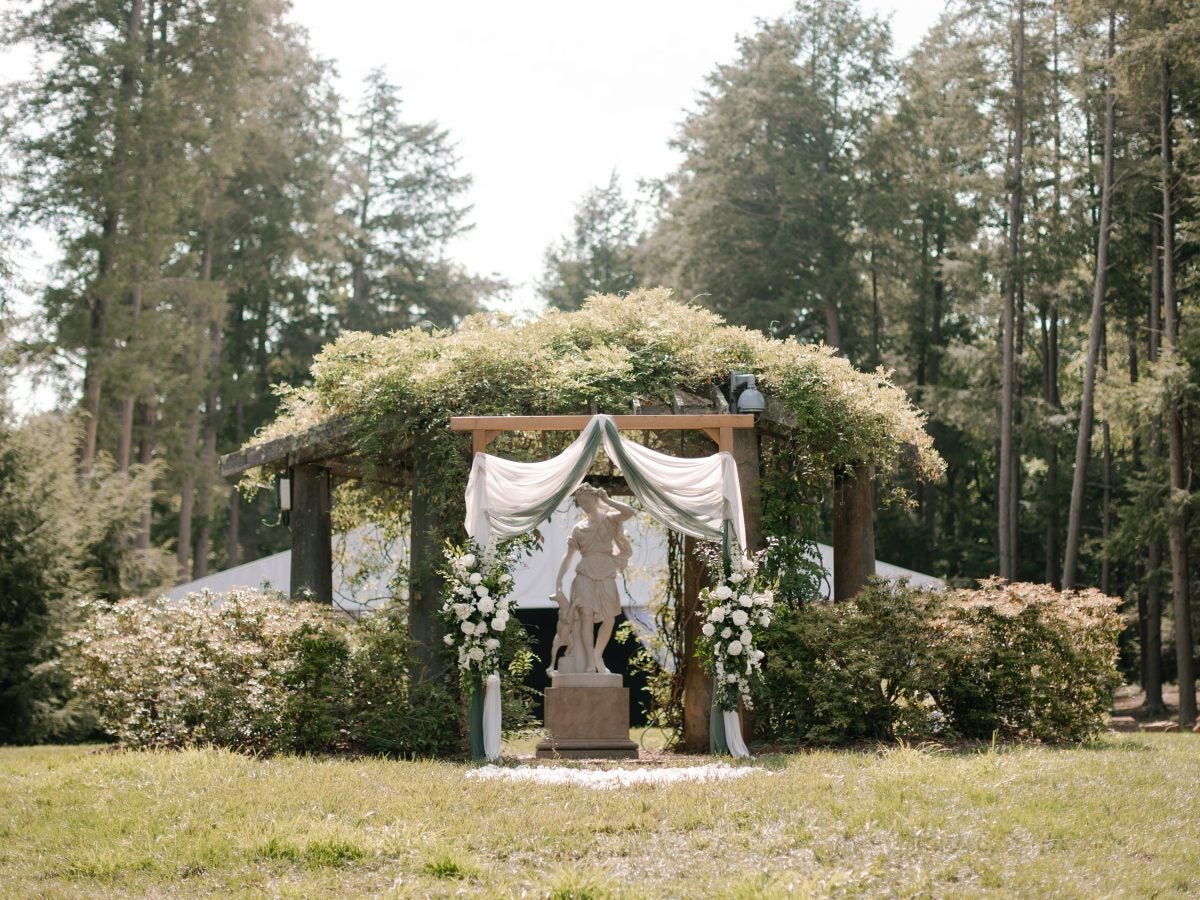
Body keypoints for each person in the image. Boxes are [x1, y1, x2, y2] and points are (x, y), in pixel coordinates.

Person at [551, 484, 635, 674]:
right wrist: (558, 581)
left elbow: (630, 512)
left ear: (596, 499)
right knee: (586, 616)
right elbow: (568, 556)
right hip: (585, 574)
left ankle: (598, 655)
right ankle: (590, 661)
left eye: (587, 501)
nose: (584, 505)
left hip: (606, 570)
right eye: (581, 503)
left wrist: (607, 500)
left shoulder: (610, 519)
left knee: (610, 617)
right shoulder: (578, 528)